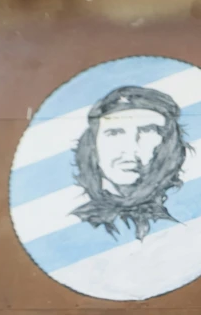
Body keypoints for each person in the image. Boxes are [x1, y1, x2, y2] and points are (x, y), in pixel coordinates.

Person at [72, 86, 191, 241]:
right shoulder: (74, 225)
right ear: (92, 145)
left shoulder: (186, 218)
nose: (130, 149)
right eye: (114, 133)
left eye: (147, 131)